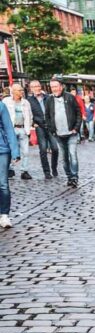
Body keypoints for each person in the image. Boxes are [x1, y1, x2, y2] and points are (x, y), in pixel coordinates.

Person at [45, 78, 82, 188]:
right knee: (64, 158)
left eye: (56, 86)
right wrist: (52, 130)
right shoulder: (49, 100)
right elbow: (47, 116)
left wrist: (76, 128)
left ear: (61, 86)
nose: (54, 89)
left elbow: (78, 113)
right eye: (52, 87)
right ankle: (69, 177)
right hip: (58, 134)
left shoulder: (70, 97)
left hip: (71, 133)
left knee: (73, 155)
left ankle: (74, 177)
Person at [28, 80, 59, 180]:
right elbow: (28, 114)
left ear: (40, 87)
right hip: (40, 127)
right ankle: (46, 172)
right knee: (43, 149)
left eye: (37, 86)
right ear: (31, 89)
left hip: (50, 125)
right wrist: (33, 123)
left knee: (55, 148)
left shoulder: (48, 97)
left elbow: (54, 109)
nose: (36, 88)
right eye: (34, 87)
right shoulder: (29, 100)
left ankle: (54, 167)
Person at [2, 84, 33, 180]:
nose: (21, 92)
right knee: (10, 150)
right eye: (19, 90)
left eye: (22, 90)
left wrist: (28, 128)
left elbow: (30, 115)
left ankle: (24, 171)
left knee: (26, 151)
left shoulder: (26, 102)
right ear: (13, 91)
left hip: (23, 129)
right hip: (11, 129)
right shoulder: (6, 101)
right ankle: (10, 169)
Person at [0, 97, 20, 228]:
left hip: (1, 150)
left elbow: (8, 128)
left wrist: (15, 151)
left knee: (2, 183)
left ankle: (4, 215)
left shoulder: (1, 106)